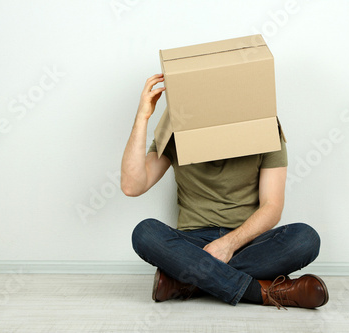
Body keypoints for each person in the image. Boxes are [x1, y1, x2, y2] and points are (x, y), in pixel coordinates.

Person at [120, 73, 329, 309]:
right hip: (193, 242)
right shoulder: (176, 126)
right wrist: (142, 117)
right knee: (145, 232)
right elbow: (132, 185)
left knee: (305, 239)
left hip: (247, 242)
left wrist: (229, 245)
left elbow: (272, 206)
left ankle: (188, 282)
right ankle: (261, 292)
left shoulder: (265, 127)